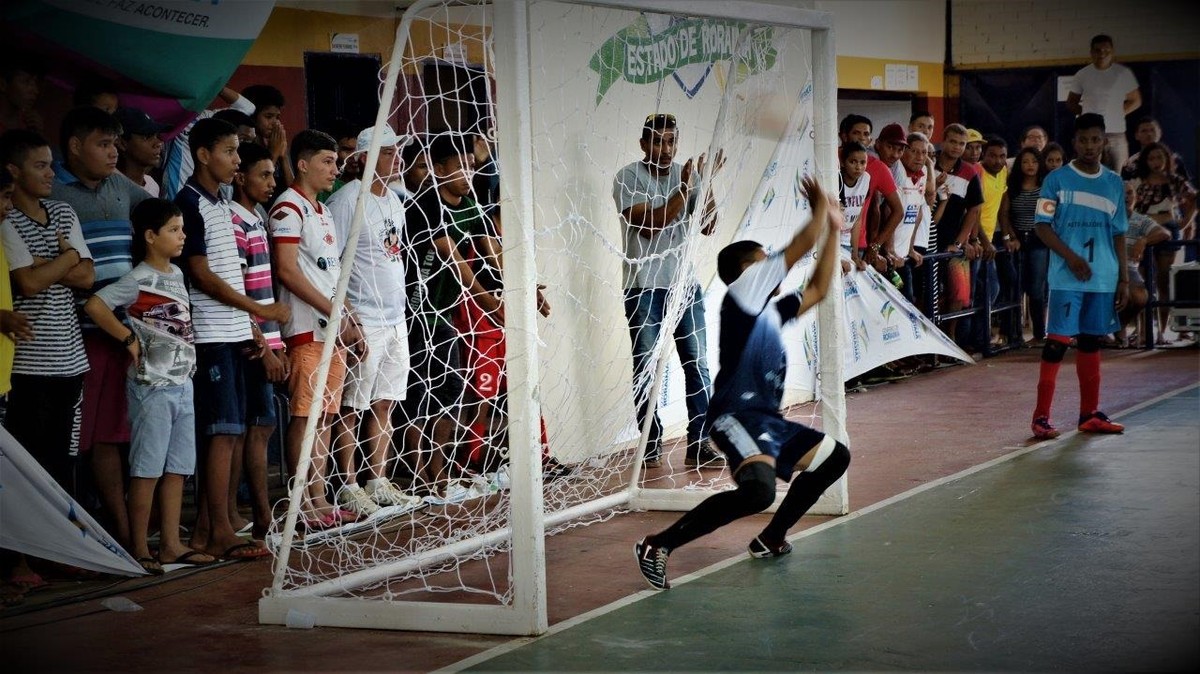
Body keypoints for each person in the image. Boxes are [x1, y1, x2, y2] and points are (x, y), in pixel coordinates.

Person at [634, 176, 848, 590]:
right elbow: (802, 244)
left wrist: (834, 231)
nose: (771, 265)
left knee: (834, 457)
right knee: (758, 493)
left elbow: (819, 287)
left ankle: (771, 537)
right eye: (763, 260)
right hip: (736, 416)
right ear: (746, 272)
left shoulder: (770, 311)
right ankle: (657, 545)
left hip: (768, 420)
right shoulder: (743, 296)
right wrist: (821, 209)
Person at [84, 198, 217, 572]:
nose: (182, 236)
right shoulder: (138, 278)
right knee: (147, 468)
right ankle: (139, 547)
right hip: (151, 386)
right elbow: (95, 304)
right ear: (150, 236)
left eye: (181, 228)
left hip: (182, 384)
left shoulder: (176, 275)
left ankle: (171, 544)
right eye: (173, 230)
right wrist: (128, 339)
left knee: (177, 469)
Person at [176, 117, 285, 560]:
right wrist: (258, 309)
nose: (237, 160)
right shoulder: (188, 203)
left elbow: (231, 273)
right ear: (203, 155)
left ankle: (208, 527)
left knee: (235, 432)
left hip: (236, 331)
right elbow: (201, 274)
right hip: (212, 334)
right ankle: (220, 529)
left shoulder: (220, 203)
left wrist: (252, 327)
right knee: (221, 433)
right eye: (229, 151)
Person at [51, 106, 152, 546]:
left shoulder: (118, 186)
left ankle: (123, 532)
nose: (114, 153)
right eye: (103, 144)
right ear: (74, 147)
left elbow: (158, 213)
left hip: (122, 334)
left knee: (111, 435)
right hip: (77, 334)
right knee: (77, 440)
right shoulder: (52, 191)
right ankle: (75, 536)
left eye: (115, 143)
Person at [613, 113, 723, 468]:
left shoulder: (685, 176)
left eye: (671, 142)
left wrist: (704, 183)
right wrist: (686, 187)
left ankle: (700, 441)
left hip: (683, 287)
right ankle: (650, 442)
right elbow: (653, 226)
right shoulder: (627, 177)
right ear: (643, 143)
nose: (665, 149)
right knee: (646, 368)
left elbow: (707, 225)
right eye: (657, 141)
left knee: (698, 365)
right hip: (643, 289)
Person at [327, 125, 424, 517]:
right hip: (363, 318)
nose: (396, 158)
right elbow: (332, 266)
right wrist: (348, 316)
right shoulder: (346, 202)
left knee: (386, 402)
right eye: (387, 152)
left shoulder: (396, 203)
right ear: (364, 158)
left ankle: (377, 479)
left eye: (396, 151)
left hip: (395, 316)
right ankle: (348, 484)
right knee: (353, 404)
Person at [270, 128, 365, 525]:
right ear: (303, 163)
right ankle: (299, 502)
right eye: (327, 161)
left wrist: (350, 319)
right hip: (308, 328)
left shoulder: (322, 210)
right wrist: (333, 312)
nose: (335, 168)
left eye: (336, 161)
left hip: (333, 329)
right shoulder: (287, 208)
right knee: (306, 415)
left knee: (325, 415)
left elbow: (334, 274)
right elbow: (288, 272)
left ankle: (320, 495)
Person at [0, 129, 93, 491]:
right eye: (40, 166)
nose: (51, 173)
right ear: (13, 171)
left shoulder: (63, 210)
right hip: (28, 363)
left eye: (51, 165)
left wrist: (46, 265)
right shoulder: (6, 222)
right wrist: (68, 256)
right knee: (28, 462)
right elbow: (28, 284)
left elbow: (88, 276)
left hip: (71, 360)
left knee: (63, 460)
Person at [1030, 113, 1128, 440]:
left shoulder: (1114, 183)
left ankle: (1090, 415)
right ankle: (1041, 418)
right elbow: (1042, 227)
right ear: (1075, 142)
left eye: (1095, 139)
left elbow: (1118, 234)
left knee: (1090, 342)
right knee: (1057, 343)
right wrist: (1071, 258)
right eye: (1083, 139)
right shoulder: (1056, 180)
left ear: (1104, 142)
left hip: (1102, 277)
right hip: (1066, 276)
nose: (1089, 146)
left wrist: (1123, 278)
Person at [229, 140, 289, 541]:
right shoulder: (234, 223)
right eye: (263, 175)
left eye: (272, 173)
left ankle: (254, 512)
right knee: (257, 427)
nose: (271, 182)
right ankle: (261, 515)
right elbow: (238, 293)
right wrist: (264, 346)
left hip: (269, 338)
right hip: (251, 342)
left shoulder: (259, 216)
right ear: (240, 177)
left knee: (263, 427)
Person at [1127, 141, 1197, 342]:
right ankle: (1142, 331)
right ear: (1145, 161)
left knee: (1164, 282)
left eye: (1159, 157)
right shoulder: (1138, 181)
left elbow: (1193, 199)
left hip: (1167, 230)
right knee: (1142, 281)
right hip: (1142, 229)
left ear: (1167, 159)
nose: (1156, 162)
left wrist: (1184, 222)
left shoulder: (1175, 180)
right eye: (1151, 158)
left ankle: (1161, 332)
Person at [932, 124, 984, 345]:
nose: (957, 147)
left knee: (959, 292)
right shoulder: (927, 163)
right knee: (929, 292)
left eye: (961, 144)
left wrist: (961, 240)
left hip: (954, 243)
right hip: (926, 239)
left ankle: (950, 337)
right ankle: (929, 340)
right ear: (943, 140)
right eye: (953, 141)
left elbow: (975, 208)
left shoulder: (969, 172)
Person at [161, 86, 256, 199]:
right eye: (242, 139)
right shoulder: (189, 119)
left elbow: (248, 108)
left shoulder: (217, 119)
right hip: (176, 194)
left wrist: (217, 86)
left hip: (208, 198)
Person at [838, 115, 903, 274]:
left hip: (858, 246)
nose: (861, 137)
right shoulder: (828, 159)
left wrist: (875, 246)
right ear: (843, 136)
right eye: (856, 133)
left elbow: (898, 211)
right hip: (826, 244)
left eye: (866, 134)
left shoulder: (878, 168)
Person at [1066, 35, 1141, 171]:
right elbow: (1071, 102)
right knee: (1088, 173)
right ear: (1091, 52)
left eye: (1106, 50)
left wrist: (1118, 112)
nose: (1102, 54)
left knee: (1119, 175)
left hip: (1116, 134)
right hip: (1089, 134)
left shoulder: (1123, 73)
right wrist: (1087, 117)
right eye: (1097, 50)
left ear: (1112, 51)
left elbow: (1136, 100)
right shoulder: (1082, 74)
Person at [1000, 146, 1049, 345]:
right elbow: (1004, 215)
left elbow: (1050, 216)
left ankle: (1039, 334)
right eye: (1026, 162)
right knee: (1015, 288)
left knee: (1036, 289)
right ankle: (1013, 334)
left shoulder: (1046, 188)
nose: (1030, 166)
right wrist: (1011, 236)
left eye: (1034, 161)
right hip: (1018, 242)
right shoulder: (1012, 188)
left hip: (1040, 242)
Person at [1115, 182, 1170, 348]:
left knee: (1140, 295)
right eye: (1121, 193)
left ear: (1136, 198)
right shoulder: (1106, 217)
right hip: (1106, 267)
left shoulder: (1141, 220)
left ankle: (1120, 327)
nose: (1126, 196)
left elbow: (1164, 233)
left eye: (1130, 193)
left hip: (1130, 269)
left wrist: (1144, 239)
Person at [115, 107, 169, 197]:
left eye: (156, 135)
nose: (158, 143)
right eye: (147, 136)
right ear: (122, 143)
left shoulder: (152, 185)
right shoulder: (109, 186)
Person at [1122, 117, 1191, 183]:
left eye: (1152, 130)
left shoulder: (1174, 160)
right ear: (1136, 136)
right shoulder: (1131, 164)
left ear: (1159, 133)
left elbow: (1185, 185)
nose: (1149, 134)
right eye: (1144, 131)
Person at [837, 141, 870, 271]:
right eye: (853, 162)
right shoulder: (836, 180)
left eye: (863, 163)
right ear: (843, 163)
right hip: (833, 244)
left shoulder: (866, 179)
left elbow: (857, 220)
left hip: (847, 243)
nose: (858, 167)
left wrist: (855, 255)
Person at [0, 56, 44, 135]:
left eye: (35, 83)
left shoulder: (29, 125)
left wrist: (38, 135)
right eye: (26, 82)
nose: (35, 91)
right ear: (3, 85)